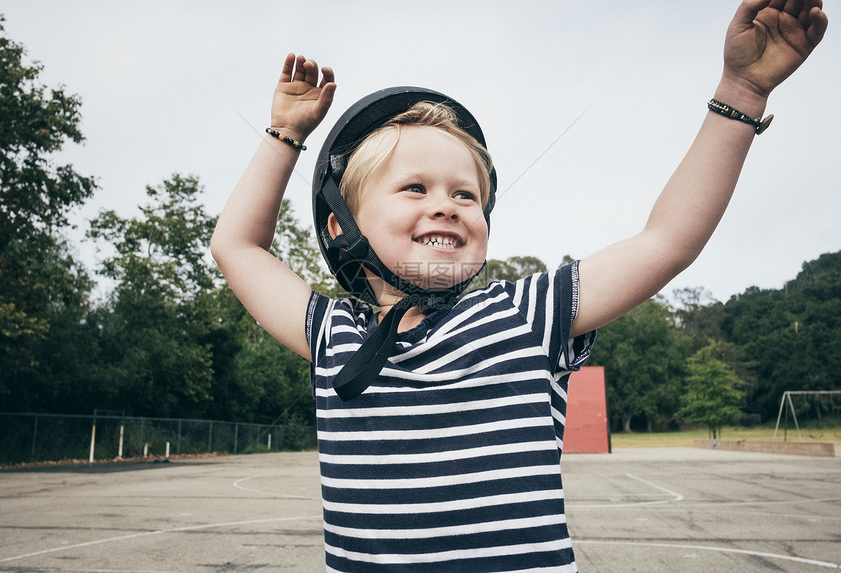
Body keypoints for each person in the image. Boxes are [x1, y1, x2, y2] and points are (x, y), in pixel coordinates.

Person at [211, 1, 827, 570]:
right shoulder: (332, 335)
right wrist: (285, 134)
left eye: (466, 194)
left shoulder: (528, 313)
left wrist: (741, 91)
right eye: (415, 188)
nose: (447, 206)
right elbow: (235, 246)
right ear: (340, 226)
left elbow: (667, 241)